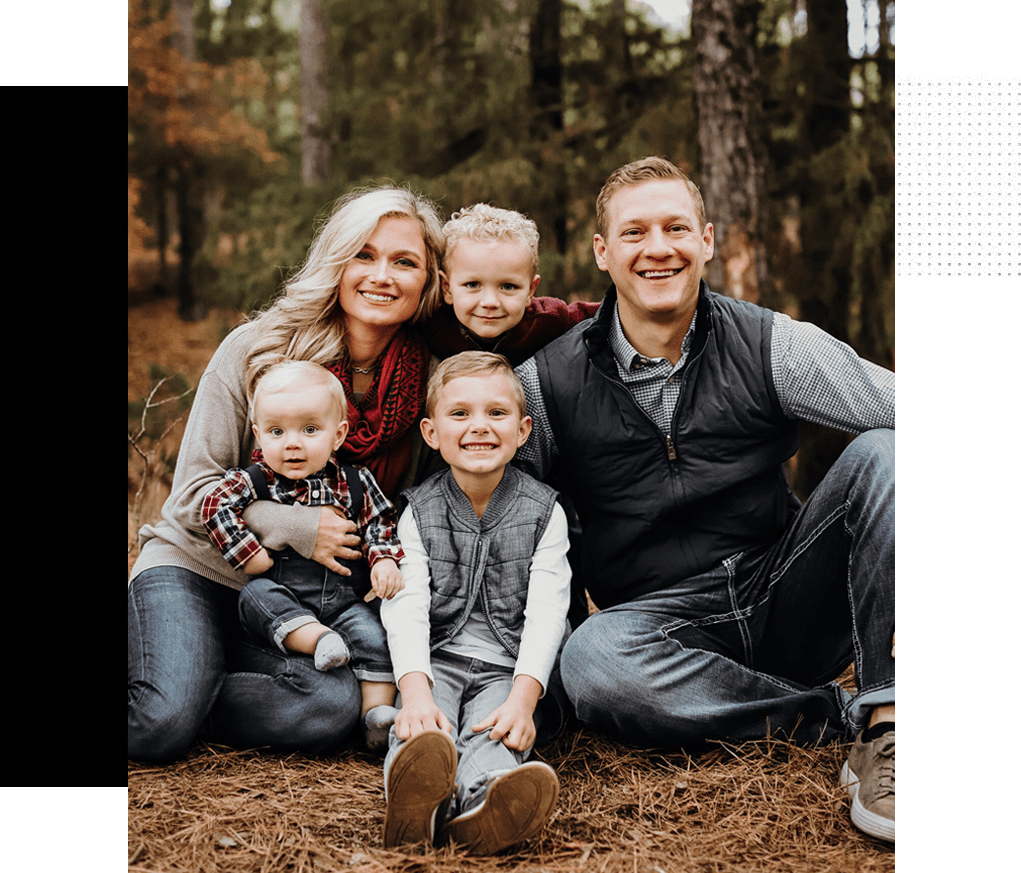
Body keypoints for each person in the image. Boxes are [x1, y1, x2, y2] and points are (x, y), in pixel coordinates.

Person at [514, 156, 896, 842]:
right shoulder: (544, 384)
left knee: (885, 454)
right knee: (591, 660)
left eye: (675, 228)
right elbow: (510, 520)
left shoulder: (770, 344)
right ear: (602, 251)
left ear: (707, 240)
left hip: (787, 591)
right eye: (633, 233)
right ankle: (838, 717)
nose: (657, 248)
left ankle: (888, 722)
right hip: (660, 627)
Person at [128, 185, 446, 762]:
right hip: (199, 570)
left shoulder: (428, 384)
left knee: (329, 706)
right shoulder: (259, 349)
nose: (382, 275)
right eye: (364, 255)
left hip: (305, 606)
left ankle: (186, 678)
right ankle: (173, 680)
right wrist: (301, 527)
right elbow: (191, 496)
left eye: (405, 262)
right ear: (334, 260)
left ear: (429, 281)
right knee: (158, 724)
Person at [378, 352, 570, 854]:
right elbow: (407, 603)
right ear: (431, 432)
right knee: (424, 730)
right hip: (435, 660)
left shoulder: (543, 511)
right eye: (459, 414)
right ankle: (415, 805)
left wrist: (524, 701)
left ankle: (484, 807)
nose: (478, 427)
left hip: (506, 668)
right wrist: (415, 694)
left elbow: (548, 610)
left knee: (496, 732)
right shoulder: (418, 510)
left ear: (524, 430)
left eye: (496, 413)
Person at [200, 360, 405, 751]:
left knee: (375, 637)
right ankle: (317, 640)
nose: (292, 443)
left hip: (343, 604)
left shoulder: (357, 484)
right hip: (283, 598)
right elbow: (212, 506)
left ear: (338, 434)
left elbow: (380, 522)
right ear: (259, 436)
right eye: (277, 432)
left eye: (310, 430)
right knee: (257, 596)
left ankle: (376, 720)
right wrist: (248, 555)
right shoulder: (254, 481)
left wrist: (384, 559)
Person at [424, 203, 600, 366]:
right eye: (472, 285)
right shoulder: (432, 325)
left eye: (508, 287)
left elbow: (606, 312)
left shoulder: (548, 321)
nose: (490, 302)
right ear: (446, 288)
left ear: (531, 290)